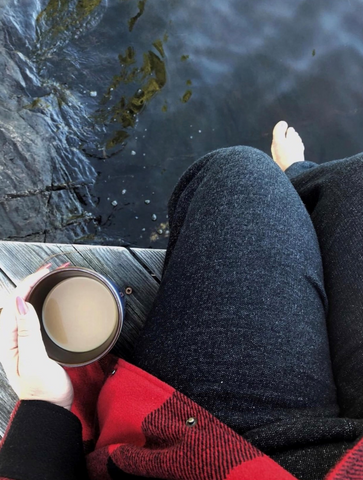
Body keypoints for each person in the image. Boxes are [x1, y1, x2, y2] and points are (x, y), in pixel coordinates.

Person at [0, 120, 363, 480]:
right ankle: (301, 180)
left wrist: (46, 407)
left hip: (215, 452)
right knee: (356, 182)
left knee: (239, 172)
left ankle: (297, 187)